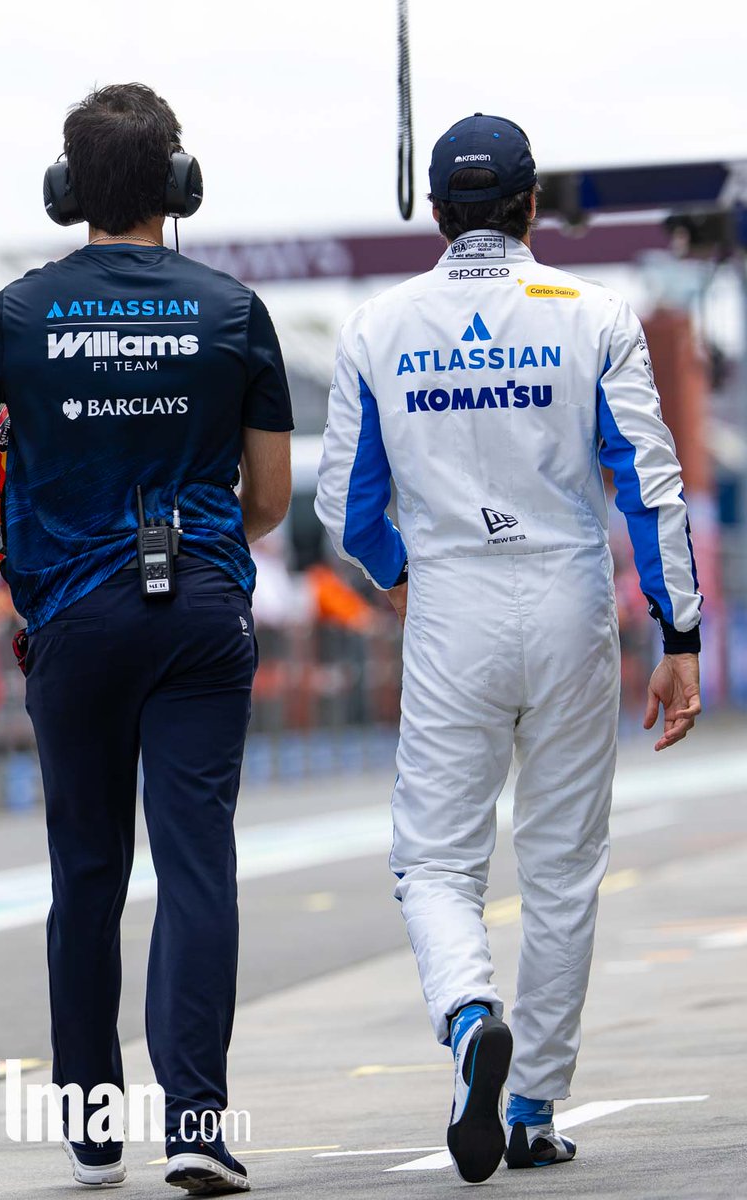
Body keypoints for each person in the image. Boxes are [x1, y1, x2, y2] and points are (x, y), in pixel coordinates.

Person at [0, 82, 293, 1193]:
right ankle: (201, 1125)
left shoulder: (18, 315)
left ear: (68, 192)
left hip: (70, 615)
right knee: (196, 863)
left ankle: (89, 1126)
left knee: (86, 874)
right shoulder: (234, 311)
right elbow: (266, 498)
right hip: (202, 607)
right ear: (179, 187)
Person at [315, 113, 702, 1183]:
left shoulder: (376, 327)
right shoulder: (597, 314)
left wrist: (407, 574)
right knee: (563, 867)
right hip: (572, 599)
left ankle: (467, 1013)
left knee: (435, 858)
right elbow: (652, 488)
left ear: (436, 213)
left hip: (452, 603)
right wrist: (680, 636)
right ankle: (529, 1105)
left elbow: (346, 514)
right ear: (532, 207)